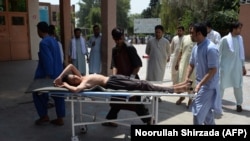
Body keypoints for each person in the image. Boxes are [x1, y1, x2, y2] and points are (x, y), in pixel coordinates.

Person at [103, 27, 150, 127]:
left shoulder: (129, 48)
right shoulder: (114, 49)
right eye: (116, 40)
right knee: (116, 100)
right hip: (120, 79)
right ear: (113, 39)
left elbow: (138, 65)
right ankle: (111, 120)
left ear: (123, 36)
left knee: (135, 103)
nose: (118, 41)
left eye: (120, 39)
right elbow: (114, 65)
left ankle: (149, 120)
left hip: (131, 79)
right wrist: (114, 77)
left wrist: (132, 78)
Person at [53, 64, 192, 96]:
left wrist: (60, 77)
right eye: (74, 79)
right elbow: (76, 90)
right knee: (144, 85)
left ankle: (179, 86)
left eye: (74, 75)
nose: (76, 77)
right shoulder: (82, 83)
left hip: (114, 78)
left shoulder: (82, 76)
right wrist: (65, 84)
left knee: (144, 83)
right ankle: (176, 89)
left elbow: (70, 66)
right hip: (112, 83)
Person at [186, 22, 221, 125]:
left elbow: (213, 70)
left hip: (208, 87)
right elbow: (191, 64)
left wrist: (200, 84)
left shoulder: (211, 48)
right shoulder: (196, 47)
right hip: (200, 85)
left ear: (199, 33)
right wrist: (187, 78)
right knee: (207, 115)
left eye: (192, 33)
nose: (190, 35)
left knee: (197, 113)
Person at [33, 21, 65, 126]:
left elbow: (48, 60)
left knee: (37, 94)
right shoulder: (54, 41)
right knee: (59, 95)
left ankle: (44, 116)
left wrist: (47, 75)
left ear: (39, 30)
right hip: (58, 72)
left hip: (48, 74)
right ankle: (60, 118)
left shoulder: (43, 43)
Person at [218, 21, 247, 112]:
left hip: (237, 68)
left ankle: (239, 104)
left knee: (238, 86)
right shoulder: (224, 39)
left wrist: (243, 66)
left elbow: (241, 54)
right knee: (221, 86)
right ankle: (218, 103)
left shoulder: (240, 39)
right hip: (225, 68)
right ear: (234, 28)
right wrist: (217, 68)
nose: (240, 30)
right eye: (239, 28)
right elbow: (218, 54)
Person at [145, 25, 171, 102]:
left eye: (159, 32)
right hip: (152, 64)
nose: (157, 34)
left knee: (159, 80)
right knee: (150, 79)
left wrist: (167, 58)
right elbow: (147, 51)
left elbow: (169, 52)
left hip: (161, 64)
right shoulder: (150, 41)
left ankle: (157, 96)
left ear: (162, 32)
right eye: (156, 32)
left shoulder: (166, 42)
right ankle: (148, 95)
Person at [175, 24, 196, 108]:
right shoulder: (185, 38)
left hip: (194, 67)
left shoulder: (198, 39)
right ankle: (181, 97)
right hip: (183, 64)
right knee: (181, 81)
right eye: (190, 29)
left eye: (193, 29)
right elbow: (180, 51)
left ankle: (190, 99)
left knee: (192, 83)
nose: (191, 31)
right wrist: (177, 62)